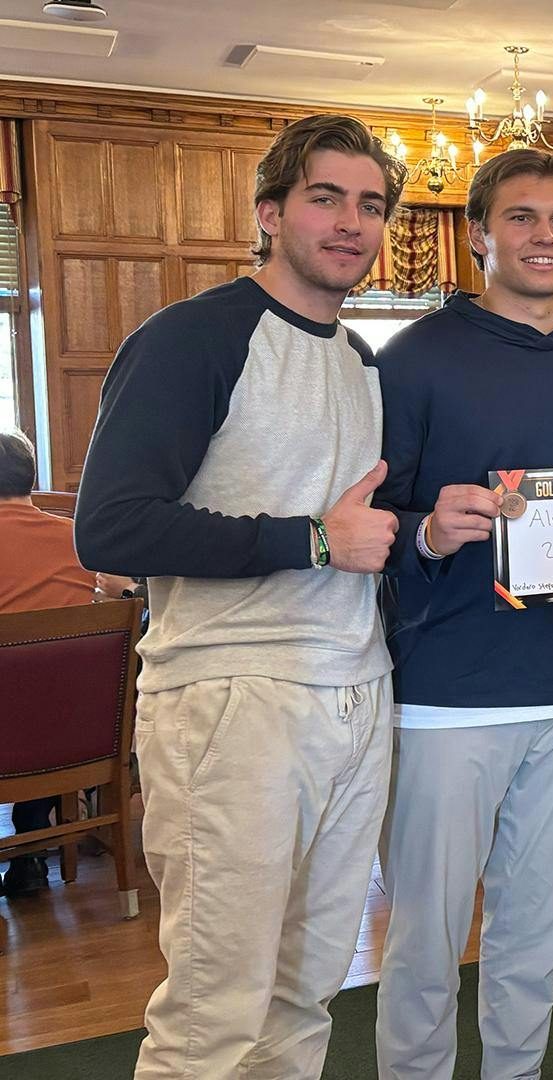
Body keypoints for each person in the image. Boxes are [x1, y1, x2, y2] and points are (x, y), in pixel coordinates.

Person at [72, 113, 404, 1079]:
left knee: (306, 993)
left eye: (371, 204)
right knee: (214, 1014)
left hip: (353, 693)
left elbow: (364, 530)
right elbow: (112, 528)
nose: (352, 222)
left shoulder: (358, 362)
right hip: (231, 702)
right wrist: (309, 538)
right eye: (325, 197)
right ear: (269, 211)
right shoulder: (192, 339)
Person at [370, 149, 553, 1080]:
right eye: (520, 218)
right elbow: (365, 522)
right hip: (448, 694)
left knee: (540, 926)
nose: (543, 236)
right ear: (479, 234)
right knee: (428, 939)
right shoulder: (410, 361)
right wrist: (429, 533)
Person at [0, 430, 95, 896]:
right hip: (85, 730)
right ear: (32, 481)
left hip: (9, 733)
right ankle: (31, 851)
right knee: (39, 693)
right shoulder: (80, 539)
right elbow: (122, 599)